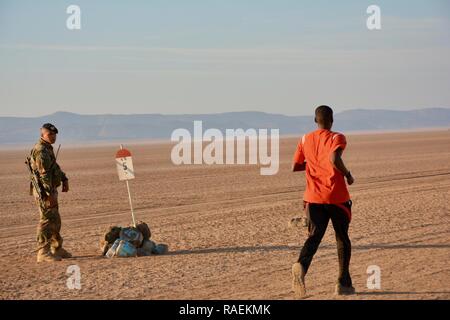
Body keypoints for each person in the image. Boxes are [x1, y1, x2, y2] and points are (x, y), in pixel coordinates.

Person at [291, 105, 355, 298]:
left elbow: (296, 165)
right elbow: (334, 157)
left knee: (314, 237)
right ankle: (343, 284)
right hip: (336, 197)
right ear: (332, 119)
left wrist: (314, 164)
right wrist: (348, 174)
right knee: (342, 238)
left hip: (313, 198)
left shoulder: (304, 139)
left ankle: (301, 265)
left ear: (315, 120)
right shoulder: (337, 137)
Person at [29, 123, 71, 262]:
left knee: (55, 220)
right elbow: (44, 175)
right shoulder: (41, 151)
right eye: (50, 134)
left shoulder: (48, 149)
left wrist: (64, 179)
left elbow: (54, 167)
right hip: (44, 191)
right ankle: (43, 252)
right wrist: (49, 194)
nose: (53, 137)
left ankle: (56, 248)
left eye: (54, 134)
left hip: (51, 189)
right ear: (43, 135)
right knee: (46, 221)